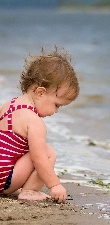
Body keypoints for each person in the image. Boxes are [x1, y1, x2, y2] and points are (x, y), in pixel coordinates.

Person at [0, 47, 79, 203]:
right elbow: (38, 158)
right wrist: (54, 185)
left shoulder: (9, 105)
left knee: (24, 148)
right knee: (47, 152)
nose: (56, 111)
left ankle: (26, 186)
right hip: (4, 181)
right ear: (40, 93)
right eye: (57, 105)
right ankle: (29, 191)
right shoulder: (34, 122)